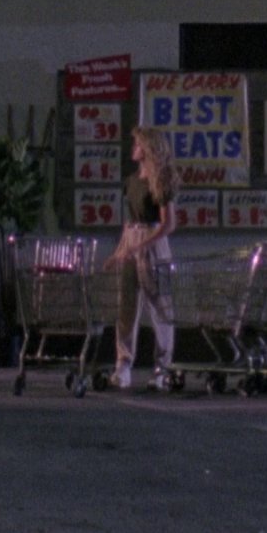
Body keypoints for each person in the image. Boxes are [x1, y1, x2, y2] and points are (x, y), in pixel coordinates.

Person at [102, 125, 178, 390]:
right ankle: (123, 365)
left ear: (148, 148)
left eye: (137, 144)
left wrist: (141, 246)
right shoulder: (132, 180)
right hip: (132, 238)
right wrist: (120, 252)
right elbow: (129, 223)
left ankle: (162, 368)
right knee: (126, 307)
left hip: (153, 242)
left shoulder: (161, 180)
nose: (133, 148)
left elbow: (168, 224)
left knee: (160, 308)